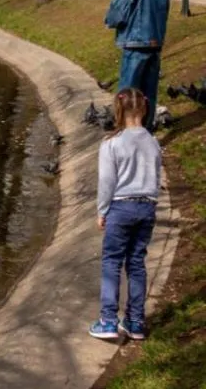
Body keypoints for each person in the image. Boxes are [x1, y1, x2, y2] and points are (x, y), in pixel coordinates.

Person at [89, 87, 162, 343]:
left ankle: (108, 320)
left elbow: (106, 182)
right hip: (147, 206)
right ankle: (136, 321)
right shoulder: (153, 142)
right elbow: (155, 178)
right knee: (136, 262)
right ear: (144, 108)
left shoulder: (112, 143)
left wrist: (102, 211)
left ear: (118, 110)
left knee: (112, 262)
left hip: (121, 207)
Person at [104, 0, 170, 131]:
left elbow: (115, 17)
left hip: (135, 43)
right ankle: (146, 130)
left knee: (128, 91)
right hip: (155, 44)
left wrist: (111, 22)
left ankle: (125, 130)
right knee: (149, 93)